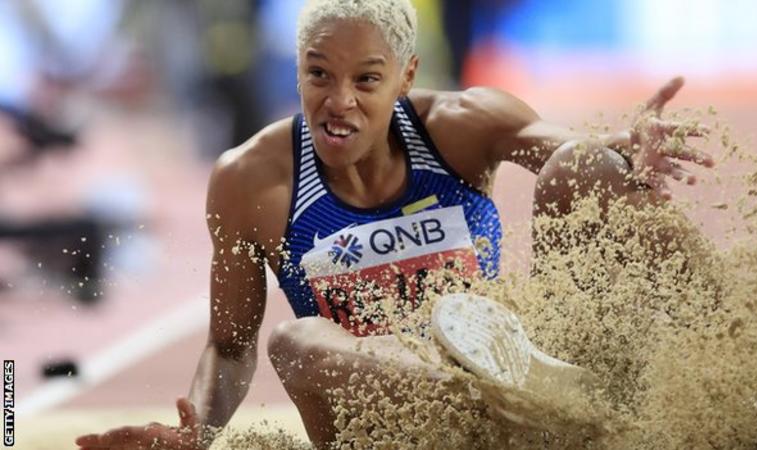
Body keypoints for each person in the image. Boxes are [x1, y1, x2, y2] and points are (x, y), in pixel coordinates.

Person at [76, 0, 712, 448]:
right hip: (388, 429)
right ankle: (522, 404)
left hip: (519, 379)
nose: (339, 101)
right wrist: (199, 433)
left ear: (405, 77)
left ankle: (748, 356)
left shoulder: (460, 125)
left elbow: (575, 151)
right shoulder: (252, 179)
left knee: (583, 168)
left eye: (367, 80)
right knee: (296, 342)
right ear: (297, 69)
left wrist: (626, 147)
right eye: (318, 74)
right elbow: (232, 344)